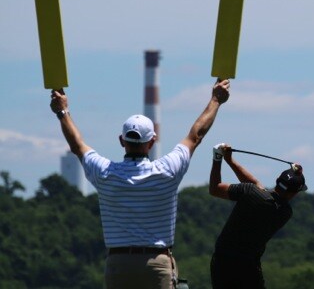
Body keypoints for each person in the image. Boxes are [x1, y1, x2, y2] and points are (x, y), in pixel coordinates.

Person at [49, 79, 230, 289]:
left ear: (121, 140)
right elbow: (196, 135)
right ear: (152, 142)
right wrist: (216, 99)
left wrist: (62, 111)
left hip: (118, 264)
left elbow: (77, 145)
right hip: (157, 264)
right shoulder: (167, 170)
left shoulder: (105, 173)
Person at [208, 143, 307, 289]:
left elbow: (215, 189)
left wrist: (218, 158)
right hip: (249, 267)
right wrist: (230, 160)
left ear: (277, 180)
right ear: (293, 194)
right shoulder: (285, 212)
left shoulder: (249, 191)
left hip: (223, 262)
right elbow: (257, 187)